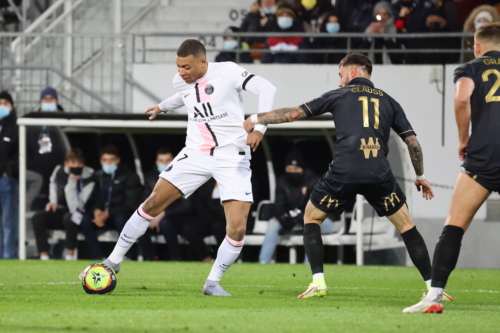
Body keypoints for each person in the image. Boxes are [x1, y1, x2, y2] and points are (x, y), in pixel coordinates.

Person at [244, 53, 452, 300]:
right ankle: (433, 287)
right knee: (407, 225)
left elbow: (294, 114)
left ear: (353, 71)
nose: (339, 80)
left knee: (311, 218)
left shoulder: (338, 95)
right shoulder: (389, 101)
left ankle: (318, 282)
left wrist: (256, 118)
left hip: (345, 171)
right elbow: (412, 142)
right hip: (378, 173)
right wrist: (421, 175)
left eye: (340, 74)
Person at [80, 39, 277, 296]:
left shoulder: (227, 71)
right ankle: (112, 262)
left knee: (238, 228)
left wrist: (260, 127)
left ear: (203, 62)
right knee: (152, 203)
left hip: (232, 156)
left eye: (186, 66)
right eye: (178, 66)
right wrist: (162, 106)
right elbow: (184, 96)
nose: (181, 72)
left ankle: (212, 282)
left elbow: (267, 88)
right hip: (195, 154)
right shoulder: (180, 82)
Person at [403, 22, 500, 314]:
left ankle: (434, 296)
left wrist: (462, 139)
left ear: (477, 46)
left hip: (482, 155)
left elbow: (461, 99)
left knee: (454, 225)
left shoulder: (470, 68)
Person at [259, 149, 335, 264]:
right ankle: (263, 263)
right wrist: (283, 216)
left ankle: (308, 266)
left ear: (302, 168)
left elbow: (318, 207)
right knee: (273, 223)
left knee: (312, 225)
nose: (292, 172)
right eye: (289, 169)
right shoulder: (282, 182)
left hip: (321, 220)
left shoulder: (314, 181)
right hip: (294, 219)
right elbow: (279, 205)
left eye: (295, 169)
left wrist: (300, 217)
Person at [79, 145, 152, 260]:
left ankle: (126, 256)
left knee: (121, 219)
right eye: (105, 160)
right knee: (85, 220)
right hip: (104, 217)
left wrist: (109, 213)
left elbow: (131, 204)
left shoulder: (130, 176)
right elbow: (94, 198)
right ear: (100, 161)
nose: (108, 163)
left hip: (122, 214)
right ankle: (96, 256)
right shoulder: (98, 176)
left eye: (111, 160)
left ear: (118, 160)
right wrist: (97, 210)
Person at [31, 148, 94, 260]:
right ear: (66, 163)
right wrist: (53, 202)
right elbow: (53, 185)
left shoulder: (89, 176)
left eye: (79, 163)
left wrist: (72, 182)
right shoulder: (59, 171)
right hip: (60, 211)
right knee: (37, 218)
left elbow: (75, 207)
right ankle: (44, 255)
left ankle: (69, 255)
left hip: (79, 214)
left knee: (69, 218)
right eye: (73, 163)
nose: (76, 166)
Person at [143, 147, 195, 261]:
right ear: (156, 163)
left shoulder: (183, 176)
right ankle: (148, 259)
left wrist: (163, 213)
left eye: (167, 160)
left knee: (166, 222)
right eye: (161, 161)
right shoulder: (151, 178)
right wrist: (152, 215)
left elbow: (186, 205)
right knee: (141, 221)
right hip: (156, 215)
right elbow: (145, 200)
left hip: (178, 217)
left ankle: (175, 257)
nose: (164, 163)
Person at [27, 86, 66, 204]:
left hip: (58, 168)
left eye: (51, 99)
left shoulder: (66, 121)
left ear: (57, 101)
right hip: (38, 170)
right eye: (45, 99)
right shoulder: (32, 122)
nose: (48, 101)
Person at [0, 90, 19, 259]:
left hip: (6, 181)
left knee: (9, 222)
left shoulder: (16, 128)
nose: (2, 107)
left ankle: (9, 256)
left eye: (6, 103)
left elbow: (19, 154)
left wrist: (8, 170)